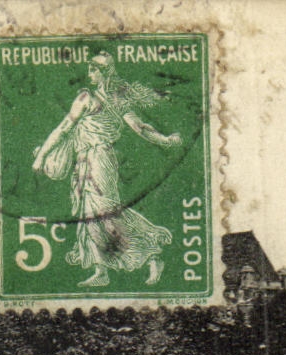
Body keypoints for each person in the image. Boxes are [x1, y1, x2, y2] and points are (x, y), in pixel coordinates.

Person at [32, 52, 181, 287]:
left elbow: (64, 128)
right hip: (84, 162)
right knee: (88, 214)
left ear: (103, 73)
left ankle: (152, 255)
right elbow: (141, 128)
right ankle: (100, 270)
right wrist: (165, 140)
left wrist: (41, 156)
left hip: (99, 160)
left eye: (93, 70)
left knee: (105, 212)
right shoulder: (114, 100)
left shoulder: (90, 98)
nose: (89, 74)